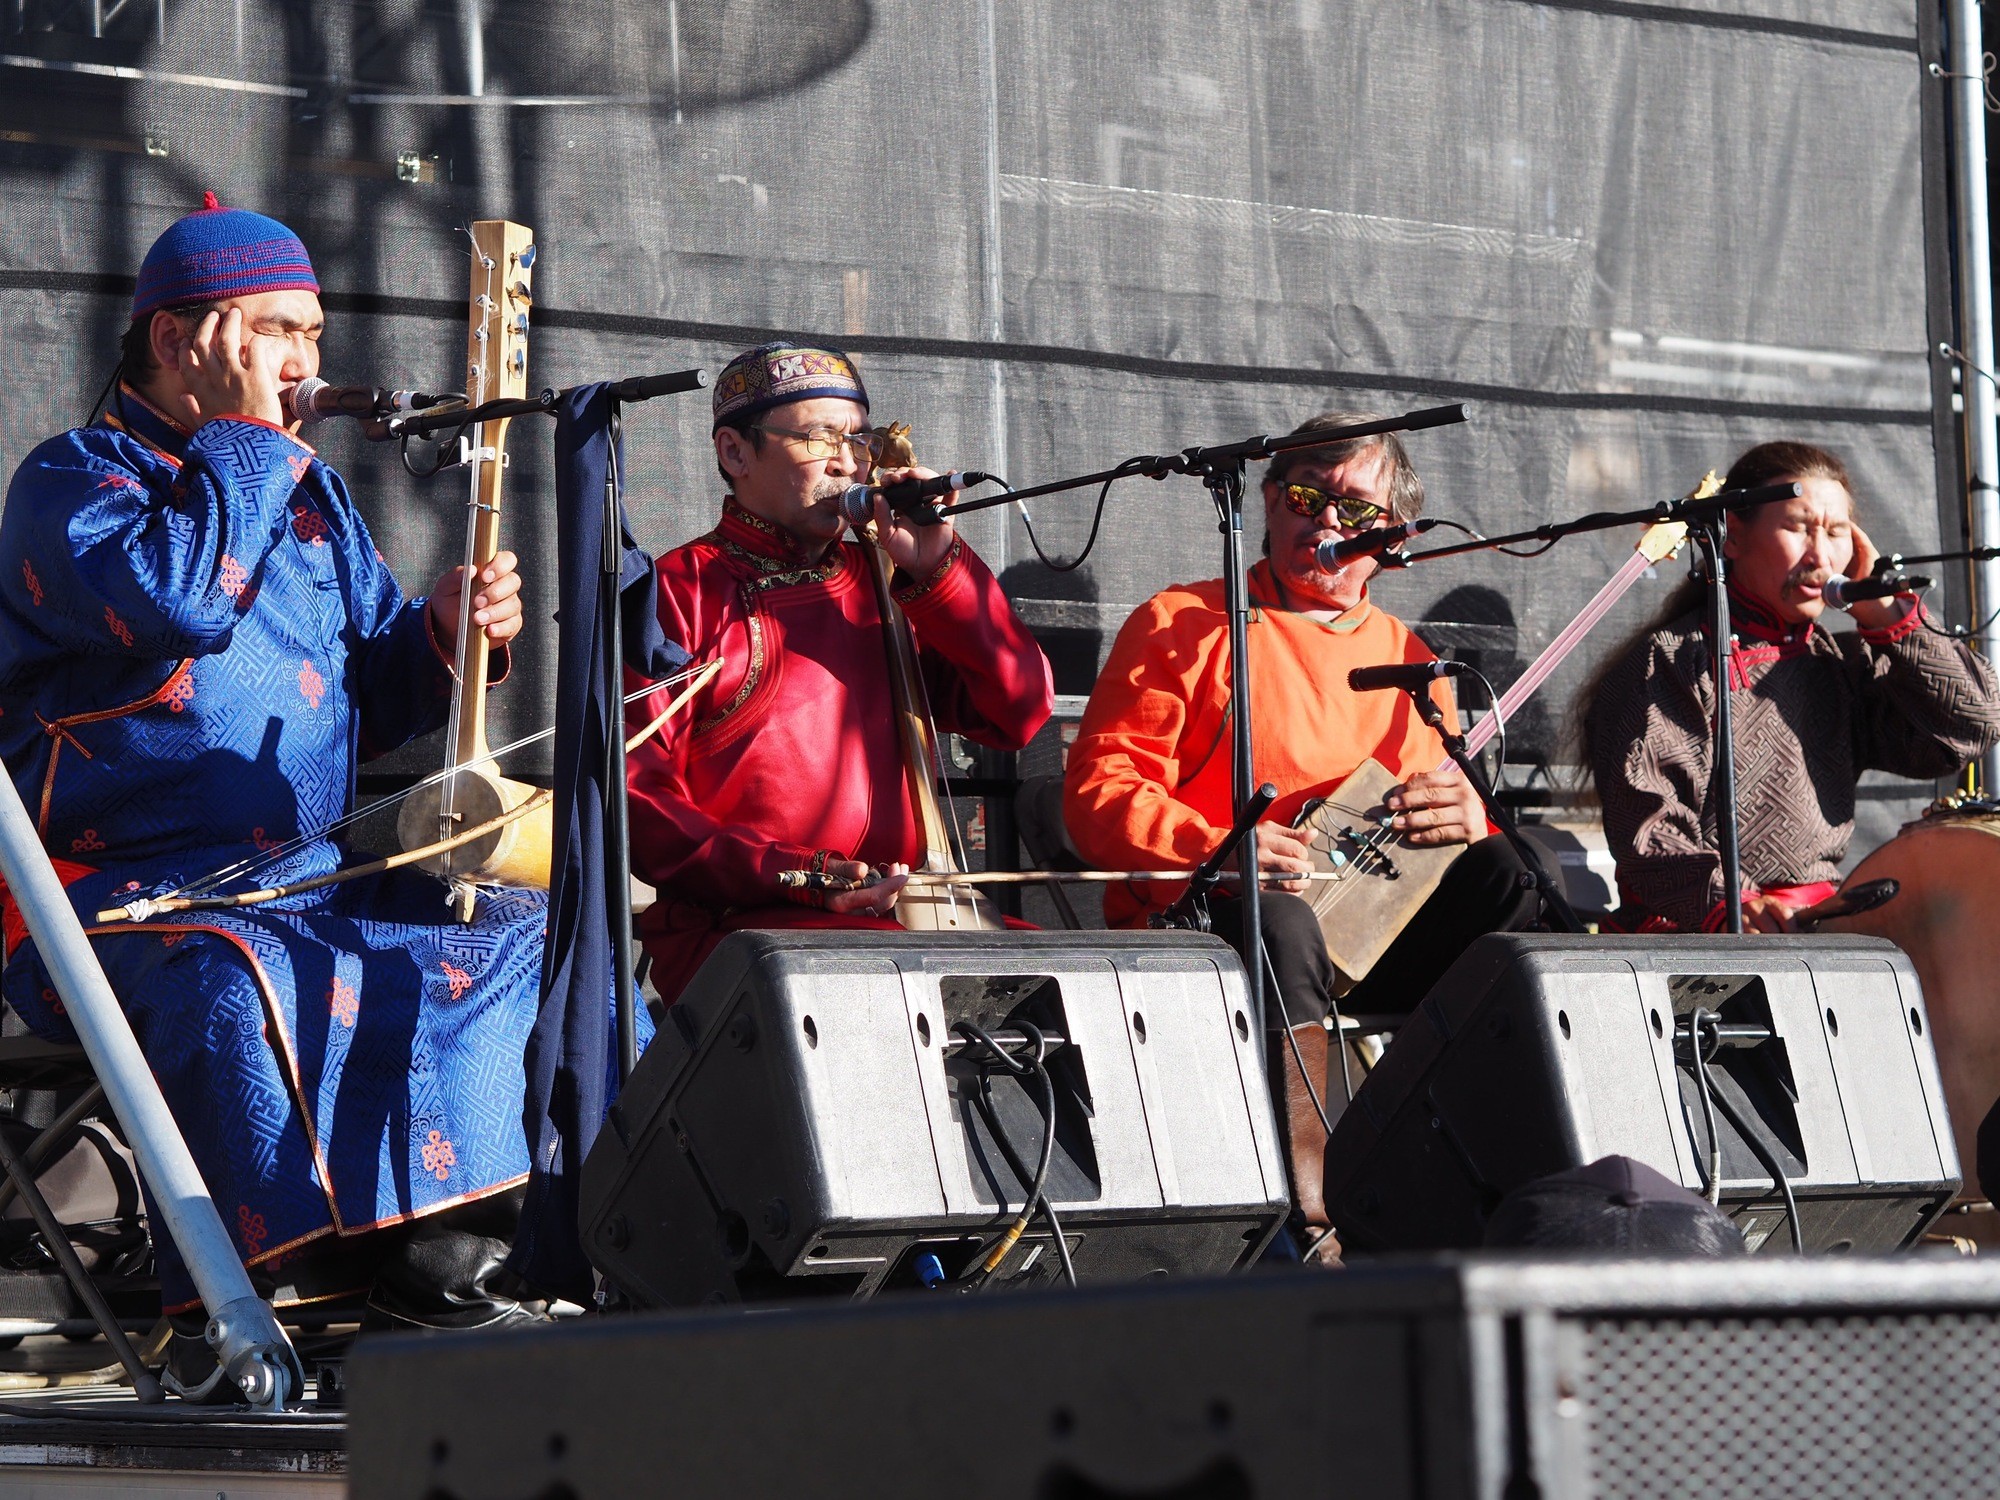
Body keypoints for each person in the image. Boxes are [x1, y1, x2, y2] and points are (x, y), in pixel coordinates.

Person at [0, 195, 548, 1385]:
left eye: (312, 334)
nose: (304, 362)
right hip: (120, 902)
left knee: (523, 933)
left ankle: (446, 1266)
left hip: (301, 881)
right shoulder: (70, 480)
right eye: (278, 330)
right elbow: (176, 605)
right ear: (178, 338)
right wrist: (251, 445)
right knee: (235, 980)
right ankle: (277, 1292)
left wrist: (447, 641)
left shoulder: (310, 499)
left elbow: (373, 690)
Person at [1062, 411, 1542, 1241]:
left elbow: (1443, 835)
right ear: (1268, 505)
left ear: (1394, 535)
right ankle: (1309, 1210)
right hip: (1223, 916)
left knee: (1511, 880)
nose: (1325, 521)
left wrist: (1473, 825)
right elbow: (1099, 791)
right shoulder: (1184, 623)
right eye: (1302, 496)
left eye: (1354, 510)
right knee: (1281, 917)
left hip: (1370, 930)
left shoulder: (1412, 656)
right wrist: (1213, 845)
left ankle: (1472, 1175)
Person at [625, 342, 1053, 1003]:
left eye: (859, 440)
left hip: (912, 922)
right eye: (819, 438)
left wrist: (943, 569)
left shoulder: (889, 579)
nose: (847, 462)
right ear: (735, 452)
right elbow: (637, 803)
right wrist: (800, 874)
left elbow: (1019, 710)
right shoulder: (676, 591)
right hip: (752, 933)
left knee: (1093, 985)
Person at [1581, 441, 2000, 933]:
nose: (1819, 556)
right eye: (1797, 528)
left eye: (1836, 532)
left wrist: (1891, 618)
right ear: (1732, 538)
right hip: (1694, 944)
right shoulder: (1671, 661)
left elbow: (1975, 720)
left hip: (1816, 933)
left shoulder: (1838, 664)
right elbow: (1649, 831)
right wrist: (1731, 903)